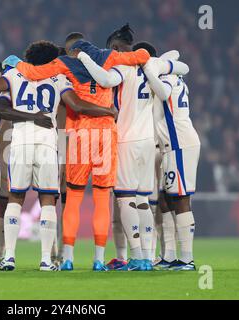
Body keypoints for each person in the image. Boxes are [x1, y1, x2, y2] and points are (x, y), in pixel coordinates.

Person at [2, 32, 150, 271]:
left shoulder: (65, 63)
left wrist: (15, 63)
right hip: (105, 135)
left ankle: (68, 258)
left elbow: (32, 73)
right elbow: (141, 56)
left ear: (71, 49)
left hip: (80, 134)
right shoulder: (109, 56)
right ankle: (99, 260)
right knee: (103, 200)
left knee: (74, 199)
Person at [0, 40, 117, 271]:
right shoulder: (58, 78)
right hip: (47, 144)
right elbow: (78, 106)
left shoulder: (15, 75)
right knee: (48, 199)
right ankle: (46, 259)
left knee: (16, 198)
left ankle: (9, 257)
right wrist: (108, 110)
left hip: (20, 144)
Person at [73, 27, 188, 271]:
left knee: (125, 199)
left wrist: (83, 57)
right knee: (144, 200)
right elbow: (180, 63)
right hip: (148, 141)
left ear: (115, 48)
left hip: (126, 139)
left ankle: (136, 257)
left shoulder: (121, 67)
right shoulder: (151, 65)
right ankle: (147, 256)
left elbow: (104, 80)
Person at [142, 58, 200, 271]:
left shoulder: (167, 77)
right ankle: (169, 256)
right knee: (166, 199)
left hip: (180, 144)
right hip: (169, 147)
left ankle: (187, 259)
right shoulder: (172, 74)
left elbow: (165, 94)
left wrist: (150, 71)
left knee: (181, 198)